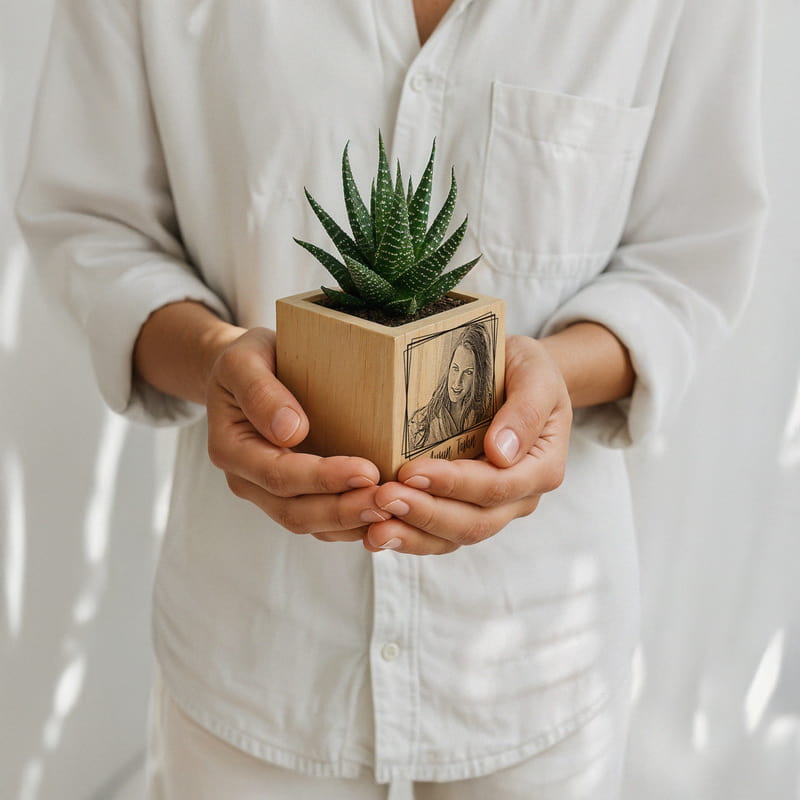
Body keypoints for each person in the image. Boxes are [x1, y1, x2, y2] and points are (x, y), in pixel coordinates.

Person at [16, 0, 767, 797]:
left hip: (534, 652)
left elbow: (688, 258)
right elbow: (93, 231)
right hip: (255, 650)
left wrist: (553, 374)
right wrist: (214, 361)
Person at [408, 321, 494, 451]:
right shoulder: (420, 424)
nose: (457, 382)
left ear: (478, 377)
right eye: (455, 369)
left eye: (468, 372)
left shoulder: (486, 413)